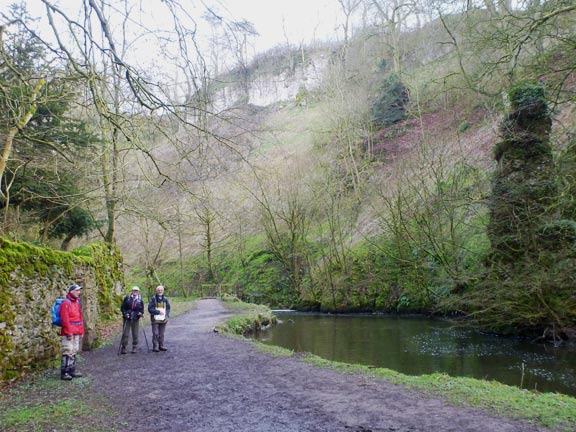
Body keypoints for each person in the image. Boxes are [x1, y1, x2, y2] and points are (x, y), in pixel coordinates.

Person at [59, 284, 84, 381]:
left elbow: (80, 317)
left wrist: (81, 330)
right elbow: (65, 319)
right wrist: (68, 332)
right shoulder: (66, 303)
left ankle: (72, 370)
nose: (79, 292)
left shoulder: (77, 302)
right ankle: (64, 372)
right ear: (72, 291)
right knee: (67, 350)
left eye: (79, 290)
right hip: (69, 332)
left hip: (76, 331)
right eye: (77, 290)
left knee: (74, 350)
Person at [120, 286, 145, 354]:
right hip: (127, 318)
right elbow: (122, 308)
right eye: (134, 290)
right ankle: (124, 347)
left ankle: (135, 347)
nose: (135, 292)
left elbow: (142, 309)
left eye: (136, 291)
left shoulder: (140, 300)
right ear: (132, 291)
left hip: (135, 318)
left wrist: (141, 313)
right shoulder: (127, 298)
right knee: (125, 333)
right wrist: (125, 314)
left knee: (135, 333)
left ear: (138, 292)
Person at [148, 285, 171, 352]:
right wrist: (158, 312)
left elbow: (168, 308)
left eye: (161, 290)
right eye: (159, 290)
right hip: (155, 319)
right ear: (156, 291)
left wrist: (166, 315)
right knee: (155, 333)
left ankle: (161, 346)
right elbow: (150, 309)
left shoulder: (165, 299)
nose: (160, 291)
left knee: (161, 333)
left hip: (163, 319)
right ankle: (155, 346)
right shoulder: (153, 299)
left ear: (163, 291)